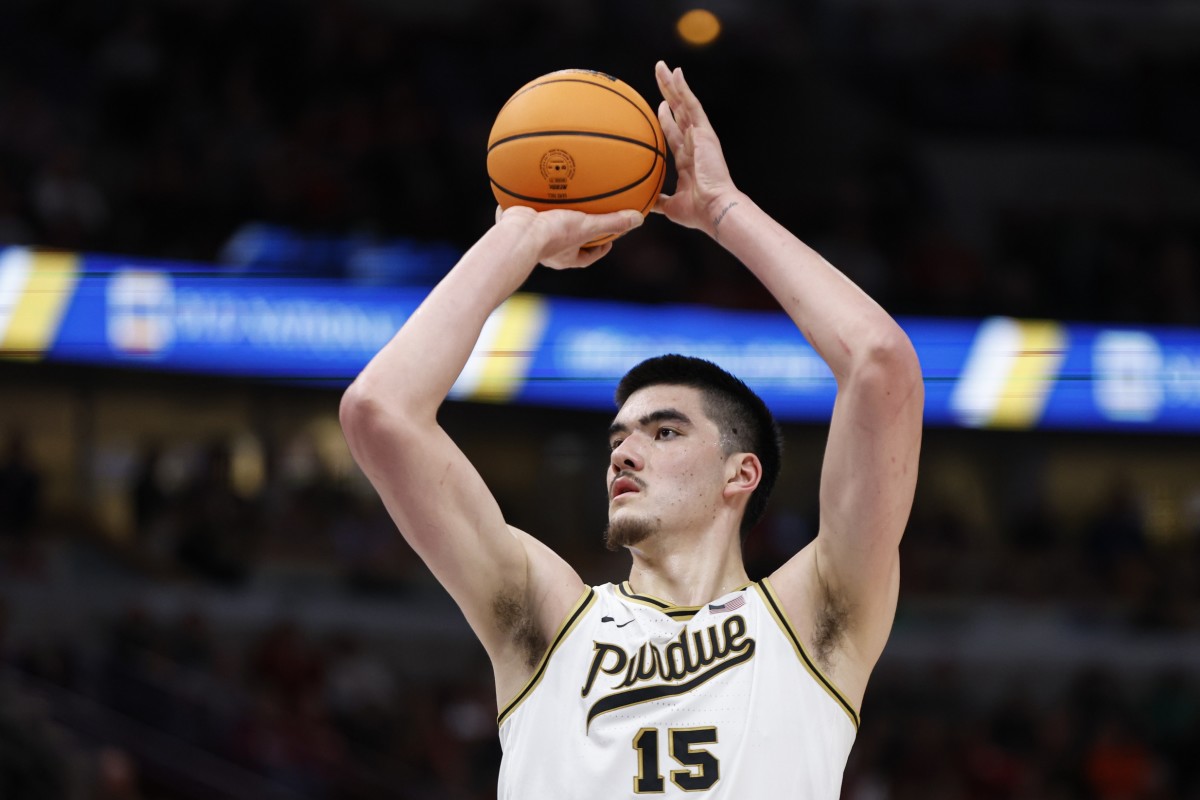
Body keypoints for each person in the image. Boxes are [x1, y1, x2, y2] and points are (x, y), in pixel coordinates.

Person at [340, 61, 923, 798]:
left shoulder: (817, 620)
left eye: (666, 432)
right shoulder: (546, 619)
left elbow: (880, 365)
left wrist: (722, 210)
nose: (626, 450)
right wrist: (521, 232)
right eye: (618, 436)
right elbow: (378, 412)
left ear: (740, 474)